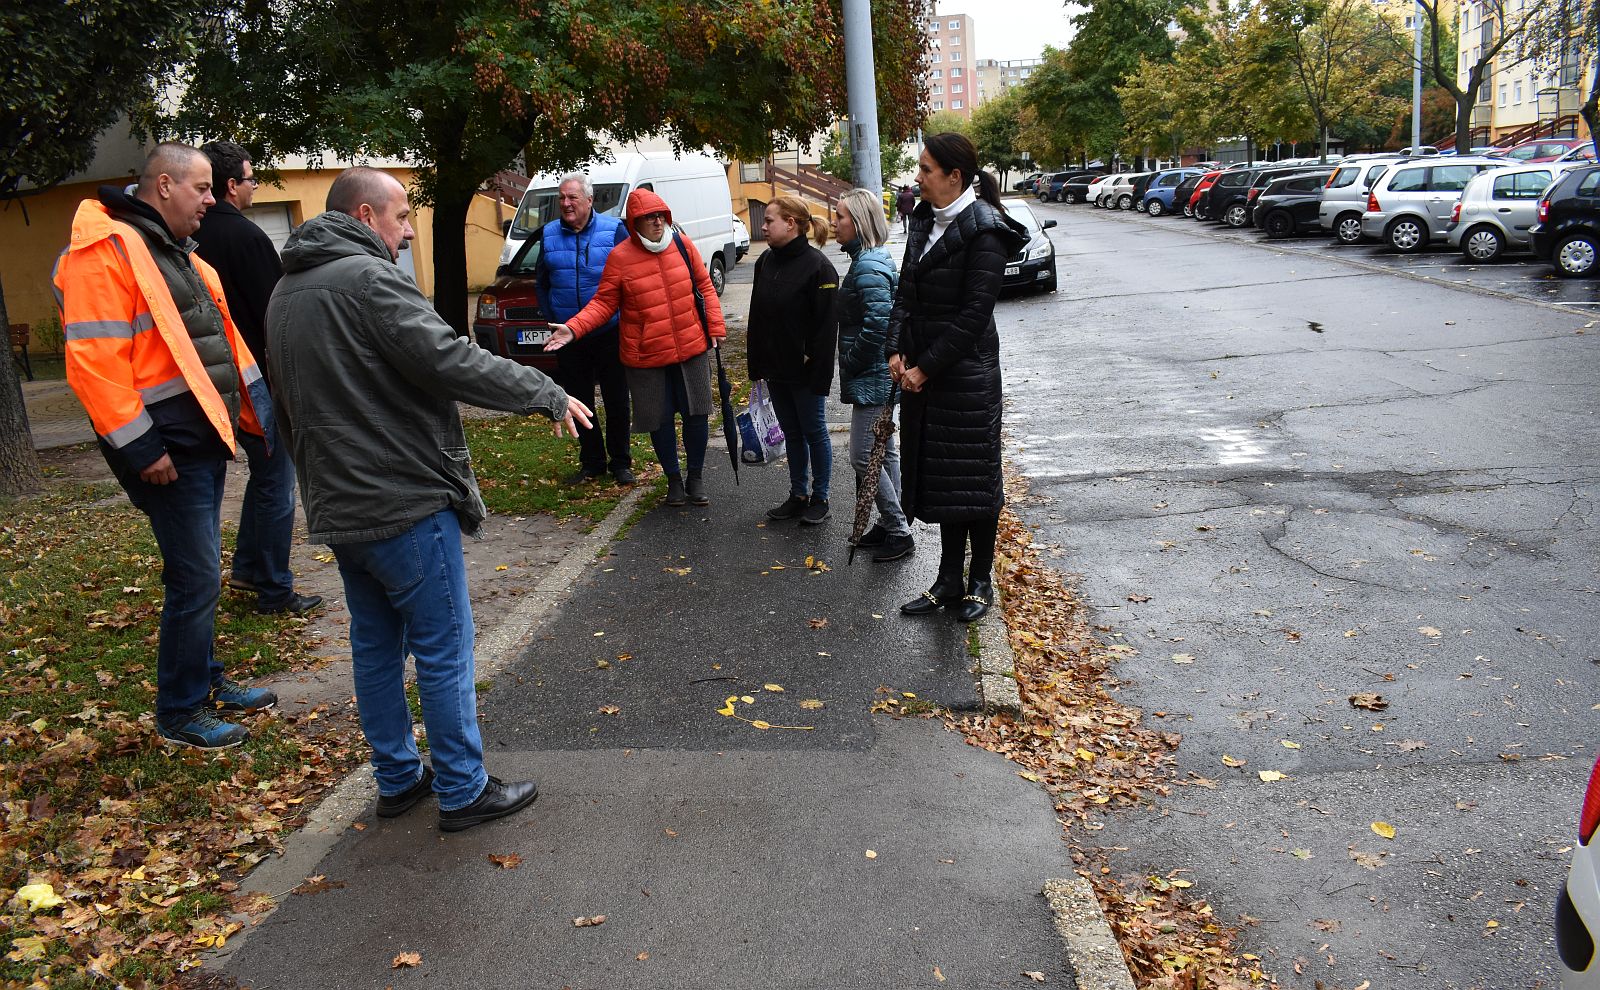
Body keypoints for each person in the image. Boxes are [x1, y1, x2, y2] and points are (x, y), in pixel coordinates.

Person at [265, 167, 593, 833]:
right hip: (403, 499)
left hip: (340, 505)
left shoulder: (286, 291)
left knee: (376, 645)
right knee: (444, 646)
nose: (408, 230)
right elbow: (447, 357)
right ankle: (464, 789)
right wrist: (542, 390)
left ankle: (397, 777)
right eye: (400, 218)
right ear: (364, 216)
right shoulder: (366, 280)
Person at [53, 142, 280, 749]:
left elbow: (217, 344)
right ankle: (180, 711)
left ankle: (204, 680)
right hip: (166, 447)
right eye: (202, 188)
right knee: (196, 575)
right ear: (162, 186)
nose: (214, 199)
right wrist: (140, 447)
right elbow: (95, 363)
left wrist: (254, 418)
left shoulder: (172, 252)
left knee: (199, 570)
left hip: (196, 438)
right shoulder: (104, 253)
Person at [887, 133, 1027, 623]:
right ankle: (948, 579)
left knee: (974, 480)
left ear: (954, 177)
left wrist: (924, 367)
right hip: (924, 374)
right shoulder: (922, 219)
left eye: (926, 170)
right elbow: (905, 290)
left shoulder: (985, 231)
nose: (918, 178)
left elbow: (973, 317)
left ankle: (980, 580)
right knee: (944, 480)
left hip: (966, 377)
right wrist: (895, 350)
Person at [193, 140, 322, 617]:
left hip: (209, 382)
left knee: (262, 478)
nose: (255, 187)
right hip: (254, 380)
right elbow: (278, 312)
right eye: (251, 179)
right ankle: (273, 587)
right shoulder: (246, 238)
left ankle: (249, 567)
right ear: (232, 185)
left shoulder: (186, 236)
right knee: (274, 479)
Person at [544, 188, 727, 508]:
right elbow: (602, 304)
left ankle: (695, 477)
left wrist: (715, 326)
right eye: (649, 217)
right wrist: (573, 328)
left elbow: (704, 286)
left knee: (697, 414)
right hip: (646, 356)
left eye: (661, 216)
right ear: (634, 223)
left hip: (691, 347)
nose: (657, 222)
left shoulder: (682, 245)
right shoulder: (621, 257)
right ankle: (674, 480)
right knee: (658, 419)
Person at [535, 173, 635, 486]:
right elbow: (542, 282)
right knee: (579, 401)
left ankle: (621, 462)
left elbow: (629, 279)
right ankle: (592, 463)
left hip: (609, 331)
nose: (565, 204)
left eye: (572, 198)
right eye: (561, 198)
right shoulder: (548, 234)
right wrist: (552, 315)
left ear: (589, 200)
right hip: (568, 335)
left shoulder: (614, 230)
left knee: (617, 399)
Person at [748, 197, 838, 525]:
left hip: (805, 372)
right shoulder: (766, 261)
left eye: (769, 220)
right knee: (791, 432)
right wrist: (756, 364)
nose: (763, 226)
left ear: (791, 223)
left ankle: (821, 497)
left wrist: (818, 373)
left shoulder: (819, 267)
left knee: (814, 431)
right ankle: (798, 495)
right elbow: (757, 316)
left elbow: (827, 330)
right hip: (775, 368)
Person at [833, 188, 912, 562]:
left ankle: (898, 530)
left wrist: (850, 359)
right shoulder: (868, 259)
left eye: (841, 217)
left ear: (859, 222)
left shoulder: (867, 265)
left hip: (874, 375)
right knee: (885, 451)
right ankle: (889, 526)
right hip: (879, 373)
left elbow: (878, 325)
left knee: (863, 456)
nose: (835, 223)